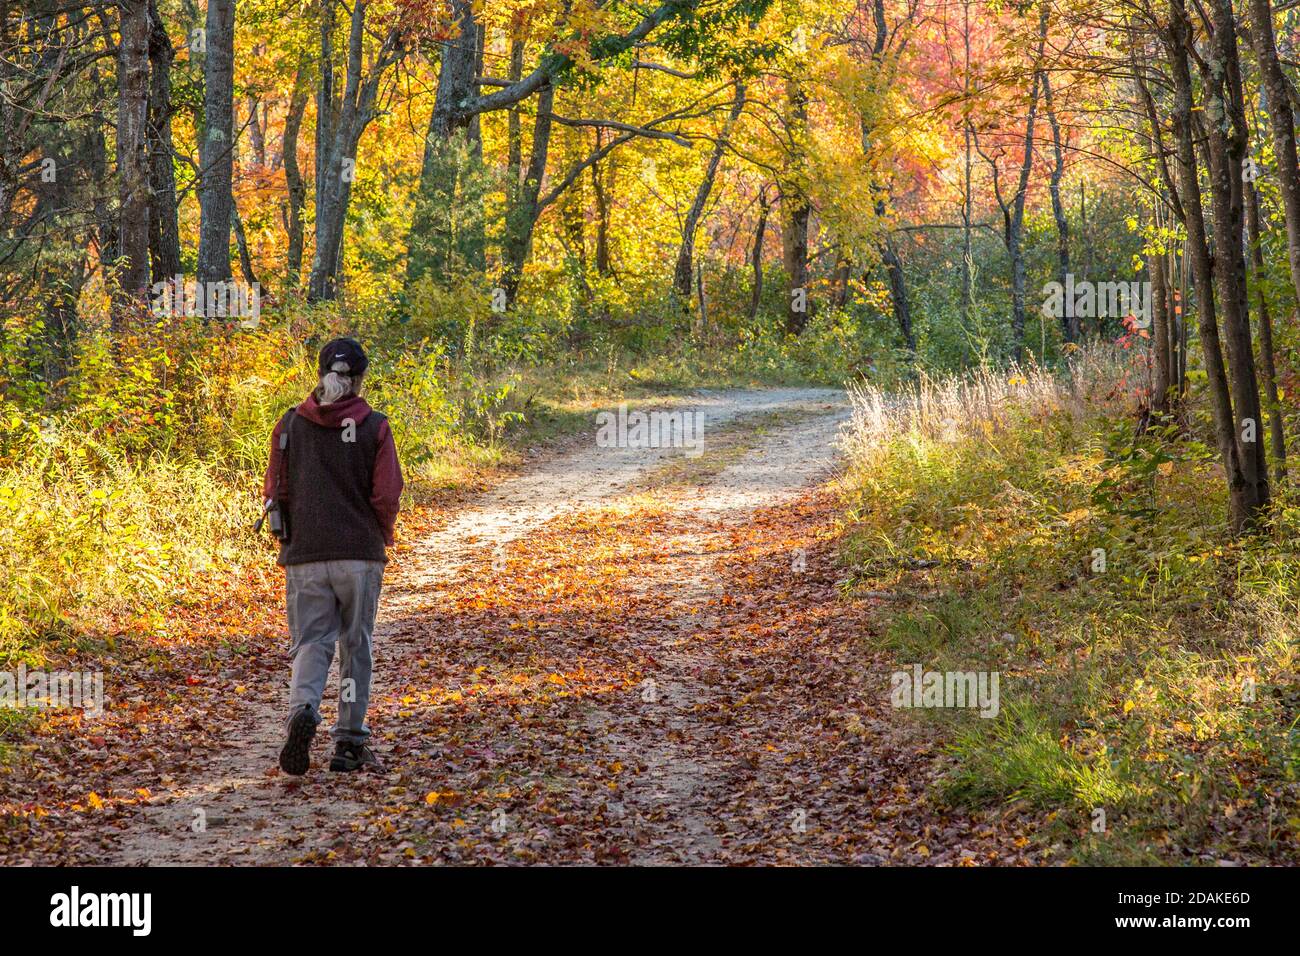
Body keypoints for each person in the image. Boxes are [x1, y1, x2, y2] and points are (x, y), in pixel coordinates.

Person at [262, 337, 403, 775]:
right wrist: (382, 533)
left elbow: (273, 491)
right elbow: (387, 493)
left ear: (319, 372)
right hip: (358, 555)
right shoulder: (375, 426)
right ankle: (348, 743)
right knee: (354, 646)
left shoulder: (289, 425)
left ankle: (302, 710)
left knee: (310, 643)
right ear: (360, 379)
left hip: (304, 555)